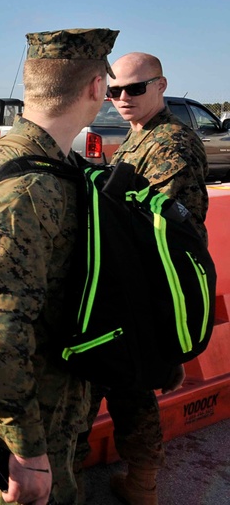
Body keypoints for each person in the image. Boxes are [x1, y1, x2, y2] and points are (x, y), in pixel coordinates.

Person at [0, 28, 117, 504]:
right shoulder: (29, 189)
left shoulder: (25, 160)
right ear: (96, 88)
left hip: (38, 404)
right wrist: (27, 451)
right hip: (31, 415)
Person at [75, 51, 208, 505]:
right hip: (131, 278)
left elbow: (162, 229)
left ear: (161, 85)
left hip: (148, 281)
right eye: (114, 90)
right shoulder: (140, 135)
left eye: (135, 88)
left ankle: (135, 484)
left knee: (117, 380)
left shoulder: (170, 142)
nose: (122, 98)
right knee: (130, 385)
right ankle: (140, 484)